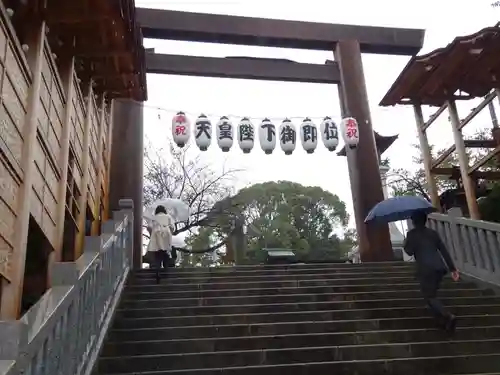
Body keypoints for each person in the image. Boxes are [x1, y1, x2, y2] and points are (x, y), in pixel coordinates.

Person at [404, 211, 460, 332]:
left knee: (429, 296)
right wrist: (452, 268)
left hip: (426, 269)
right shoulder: (433, 233)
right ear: (425, 220)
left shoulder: (411, 234)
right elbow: (443, 250)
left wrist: (406, 242)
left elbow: (409, 251)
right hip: (439, 268)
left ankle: (447, 316)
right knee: (431, 295)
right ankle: (441, 322)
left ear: (413, 222)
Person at [146, 205, 175, 283]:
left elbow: (149, 227)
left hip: (156, 234)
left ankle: (158, 272)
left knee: (157, 254)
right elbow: (172, 227)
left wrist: (151, 233)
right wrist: (169, 232)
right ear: (164, 210)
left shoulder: (154, 217)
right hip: (166, 234)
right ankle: (166, 271)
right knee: (166, 252)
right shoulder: (168, 216)